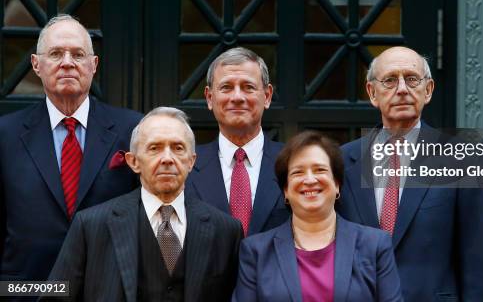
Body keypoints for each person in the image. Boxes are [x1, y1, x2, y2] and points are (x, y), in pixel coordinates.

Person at [337, 46, 483, 301]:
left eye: (411, 79)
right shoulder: (344, 161)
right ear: (372, 93)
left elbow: (477, 258)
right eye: (389, 80)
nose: (401, 89)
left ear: (428, 90)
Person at [46, 107, 243, 301]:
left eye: (178, 148)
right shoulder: (90, 226)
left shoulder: (226, 231)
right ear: (133, 162)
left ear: (191, 161)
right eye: (154, 148)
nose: (167, 158)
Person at [0, 15, 142, 284]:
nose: (67, 63)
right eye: (55, 54)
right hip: (28, 290)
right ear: (36, 64)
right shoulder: (5, 135)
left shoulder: (132, 129)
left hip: (107, 289)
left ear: (94, 64)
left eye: (78, 54)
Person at [233, 130, 402, 302]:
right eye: (298, 172)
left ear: (337, 184)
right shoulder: (256, 252)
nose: (310, 179)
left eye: (319, 170)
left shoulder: (375, 245)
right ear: (285, 191)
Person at [186, 47, 289, 236]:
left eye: (248, 87)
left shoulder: (293, 162)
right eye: (226, 87)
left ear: (267, 96)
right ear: (209, 98)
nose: (237, 97)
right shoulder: (185, 166)